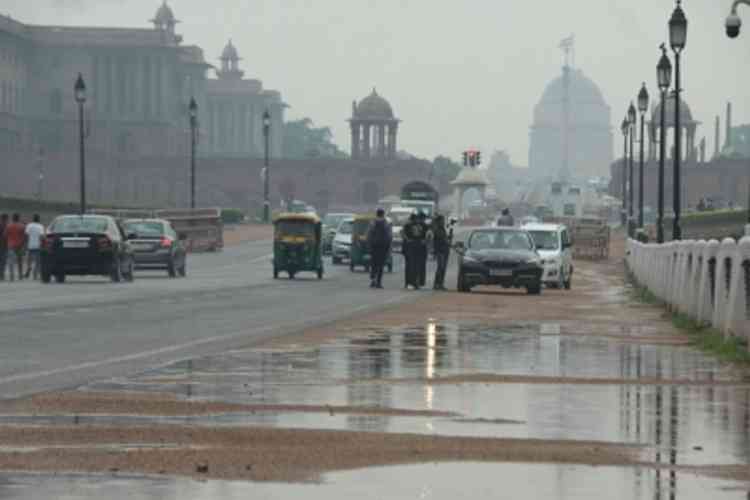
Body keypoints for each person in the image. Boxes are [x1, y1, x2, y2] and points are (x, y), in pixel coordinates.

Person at [366, 208, 392, 289]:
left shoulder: (372, 223)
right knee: (381, 265)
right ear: (383, 214)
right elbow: (389, 236)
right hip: (383, 247)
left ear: (376, 214)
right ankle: (379, 282)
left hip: (374, 246)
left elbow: (369, 235)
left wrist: (369, 245)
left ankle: (373, 280)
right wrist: (388, 247)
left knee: (374, 264)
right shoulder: (386, 223)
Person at [401, 213, 423, 290]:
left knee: (416, 266)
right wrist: (407, 240)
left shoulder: (419, 226)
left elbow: (420, 235)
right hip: (409, 248)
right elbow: (402, 233)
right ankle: (408, 283)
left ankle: (415, 283)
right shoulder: (408, 225)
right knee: (410, 266)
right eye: (416, 219)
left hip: (417, 247)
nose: (417, 220)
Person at [432, 214, 453, 291]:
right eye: (442, 220)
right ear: (439, 221)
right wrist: (447, 240)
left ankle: (440, 284)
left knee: (443, 268)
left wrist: (450, 236)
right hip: (440, 251)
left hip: (444, 250)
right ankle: (437, 284)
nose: (443, 222)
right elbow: (443, 239)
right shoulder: (437, 229)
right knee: (440, 267)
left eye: (443, 220)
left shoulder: (442, 229)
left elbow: (446, 239)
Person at [5, 213, 26, 281]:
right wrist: (23, 245)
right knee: (20, 261)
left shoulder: (8, 226)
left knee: (11, 261)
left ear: (12, 218)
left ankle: (12, 276)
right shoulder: (22, 226)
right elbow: (24, 237)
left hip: (11, 245)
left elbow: (5, 235)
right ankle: (20, 275)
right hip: (19, 246)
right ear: (18, 218)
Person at [24, 214, 45, 281]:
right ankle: (35, 275)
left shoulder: (29, 225)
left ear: (33, 219)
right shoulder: (40, 226)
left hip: (30, 245)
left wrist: (26, 244)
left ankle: (29, 267)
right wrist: (43, 243)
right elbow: (41, 237)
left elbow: (26, 235)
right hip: (38, 246)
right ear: (38, 219)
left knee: (29, 260)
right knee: (37, 262)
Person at [415, 211, 429, 287]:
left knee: (416, 265)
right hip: (422, 248)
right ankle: (420, 281)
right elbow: (429, 237)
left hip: (416, 247)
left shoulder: (414, 225)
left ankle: (417, 281)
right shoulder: (426, 226)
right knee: (421, 265)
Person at [0, 213, 8, 281]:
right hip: (4, 246)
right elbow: (5, 236)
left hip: (3, 245)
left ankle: (1, 275)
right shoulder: (6, 226)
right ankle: (1, 275)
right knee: (3, 261)